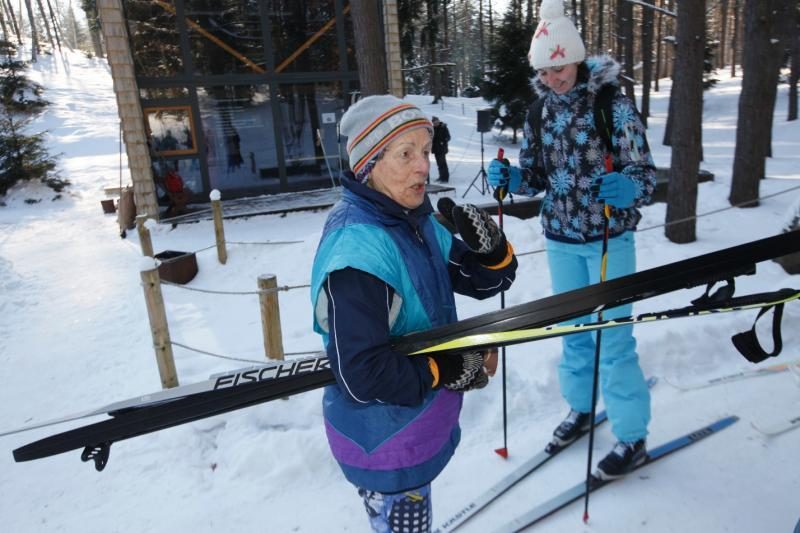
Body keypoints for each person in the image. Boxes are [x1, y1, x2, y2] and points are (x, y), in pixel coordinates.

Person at [310, 95, 518, 532]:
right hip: (385, 444)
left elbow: (484, 282)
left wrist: (493, 252)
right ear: (370, 163)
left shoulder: (414, 220)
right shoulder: (358, 250)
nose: (423, 166)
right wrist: (447, 368)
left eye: (425, 151)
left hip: (415, 430)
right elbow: (362, 374)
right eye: (406, 154)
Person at [487, 0, 657, 480]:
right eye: (544, 69)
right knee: (576, 335)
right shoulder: (538, 110)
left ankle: (632, 436)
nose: (552, 77)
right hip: (561, 239)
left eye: (558, 66)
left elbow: (645, 174)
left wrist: (630, 188)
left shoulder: (611, 104)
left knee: (615, 340)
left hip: (609, 239)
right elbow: (537, 176)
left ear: (577, 58)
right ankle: (581, 409)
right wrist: (512, 177)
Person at [431, 116, 451, 183]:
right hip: (436, 149)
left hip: (442, 149)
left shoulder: (443, 127)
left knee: (443, 163)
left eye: (436, 121)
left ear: (438, 121)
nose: (435, 123)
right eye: (434, 122)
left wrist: (443, 141)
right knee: (439, 164)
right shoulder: (433, 129)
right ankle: (441, 176)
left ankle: (445, 178)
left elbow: (448, 137)